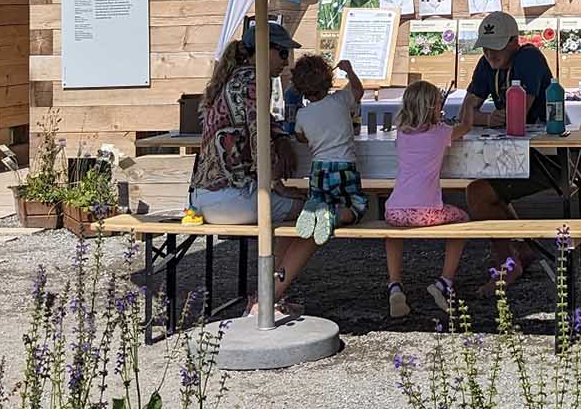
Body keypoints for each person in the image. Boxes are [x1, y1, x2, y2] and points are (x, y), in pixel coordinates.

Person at [457, 10, 554, 294]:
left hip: (545, 158)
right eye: (485, 47)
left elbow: (517, 113)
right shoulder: (486, 64)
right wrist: (488, 119)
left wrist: (482, 116)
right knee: (482, 192)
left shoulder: (529, 58)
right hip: (513, 154)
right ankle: (519, 250)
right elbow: (466, 111)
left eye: (496, 46)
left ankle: (508, 264)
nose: (490, 54)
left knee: (479, 193)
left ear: (514, 41)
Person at [260, 55, 367, 312]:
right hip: (345, 167)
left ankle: (317, 211)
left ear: (298, 88)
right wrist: (349, 70)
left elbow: (300, 136)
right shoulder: (341, 99)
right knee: (355, 207)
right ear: (328, 80)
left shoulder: (304, 115)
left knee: (317, 200)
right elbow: (359, 91)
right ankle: (331, 215)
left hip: (319, 169)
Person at [188, 19, 305, 227]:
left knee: (298, 212)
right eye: (283, 53)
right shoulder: (255, 79)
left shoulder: (232, 78)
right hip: (233, 200)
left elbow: (257, 120)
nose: (286, 62)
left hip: (202, 199)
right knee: (310, 209)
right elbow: (257, 134)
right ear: (263, 49)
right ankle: (281, 262)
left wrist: (279, 137)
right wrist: (274, 183)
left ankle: (280, 261)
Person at [384, 80, 470, 317]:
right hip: (426, 211)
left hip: (394, 210)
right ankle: (445, 282)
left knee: (393, 232)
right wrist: (469, 108)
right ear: (433, 107)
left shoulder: (401, 133)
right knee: (462, 220)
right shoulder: (442, 132)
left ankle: (394, 285)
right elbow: (466, 126)